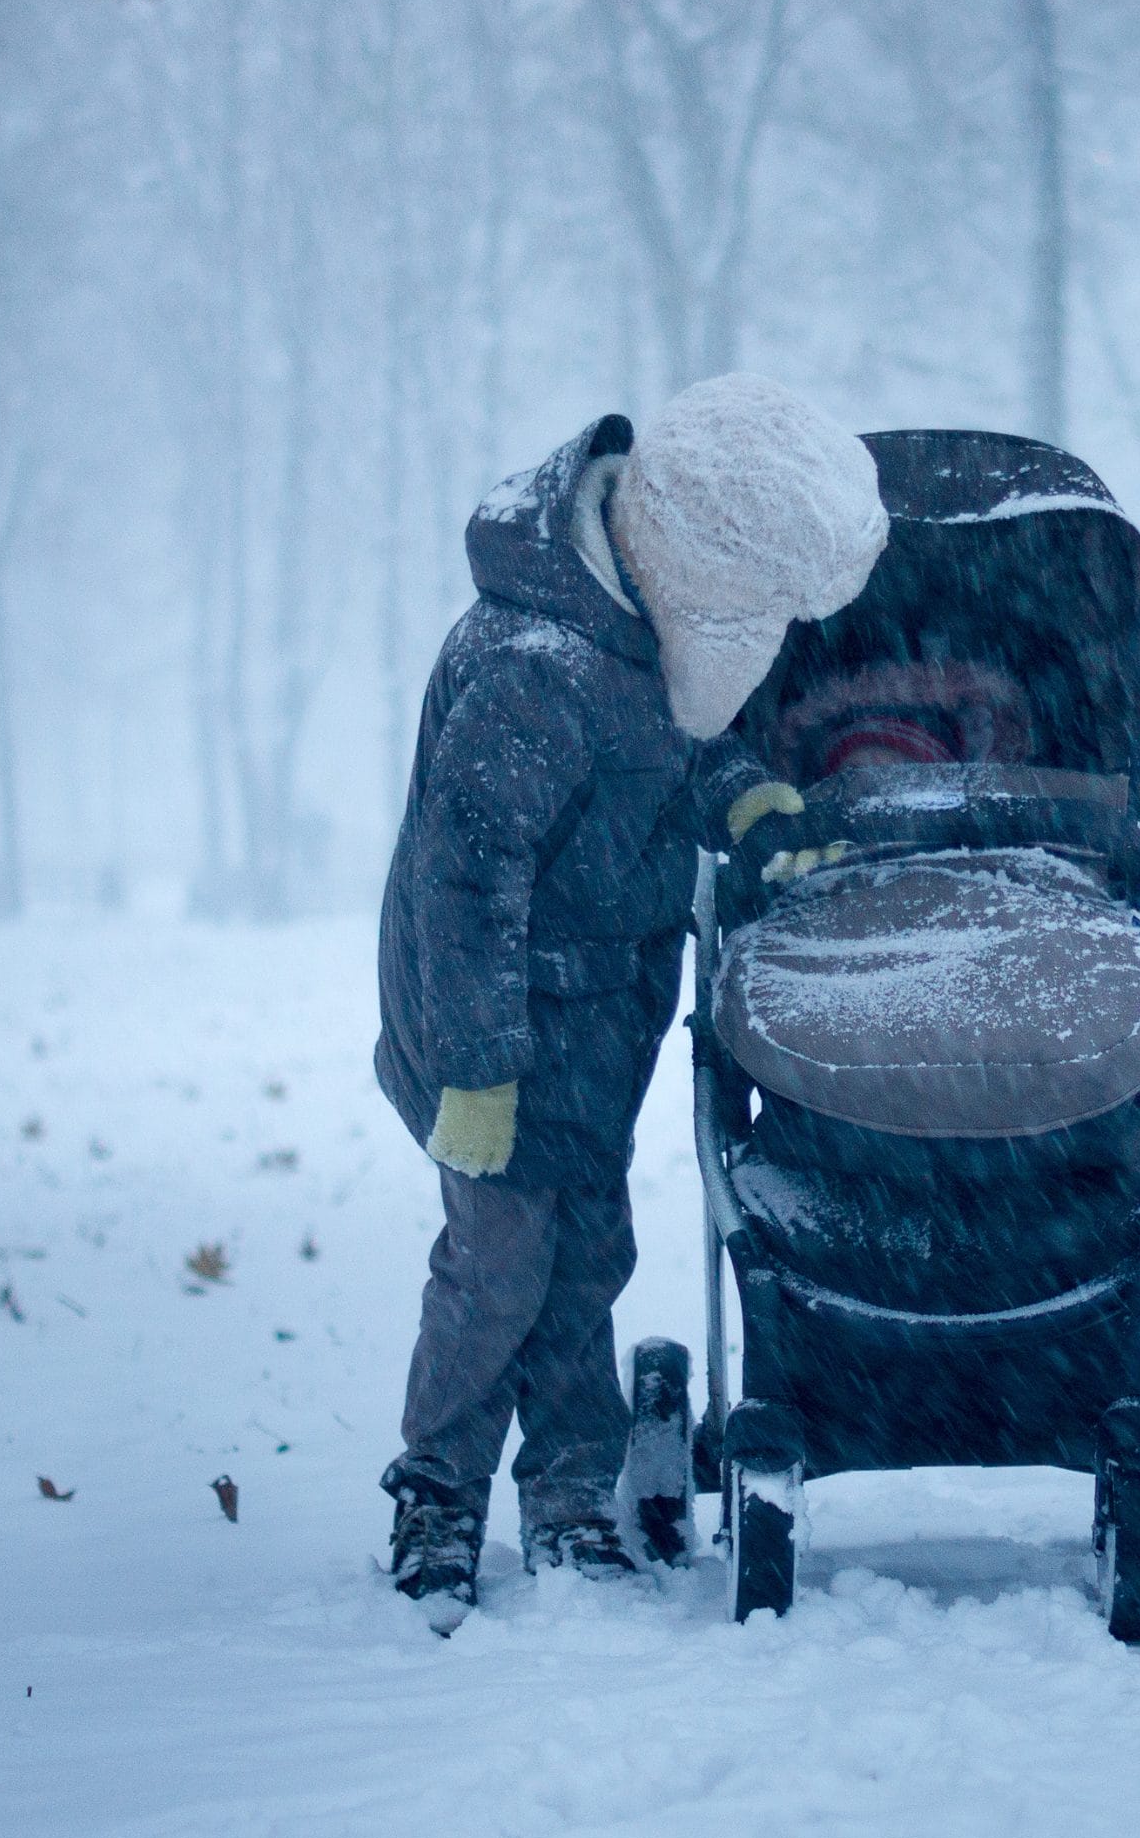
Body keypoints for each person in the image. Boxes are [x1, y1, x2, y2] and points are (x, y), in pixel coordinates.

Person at [372, 374, 886, 1610]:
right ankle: (437, 1499)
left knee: (587, 1254)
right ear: (687, 564)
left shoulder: (637, 624)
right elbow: (467, 881)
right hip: (486, 1019)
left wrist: (749, 797)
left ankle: (564, 1495)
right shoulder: (529, 669)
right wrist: (478, 1070)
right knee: (497, 1264)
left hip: (600, 1013)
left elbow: (682, 743)